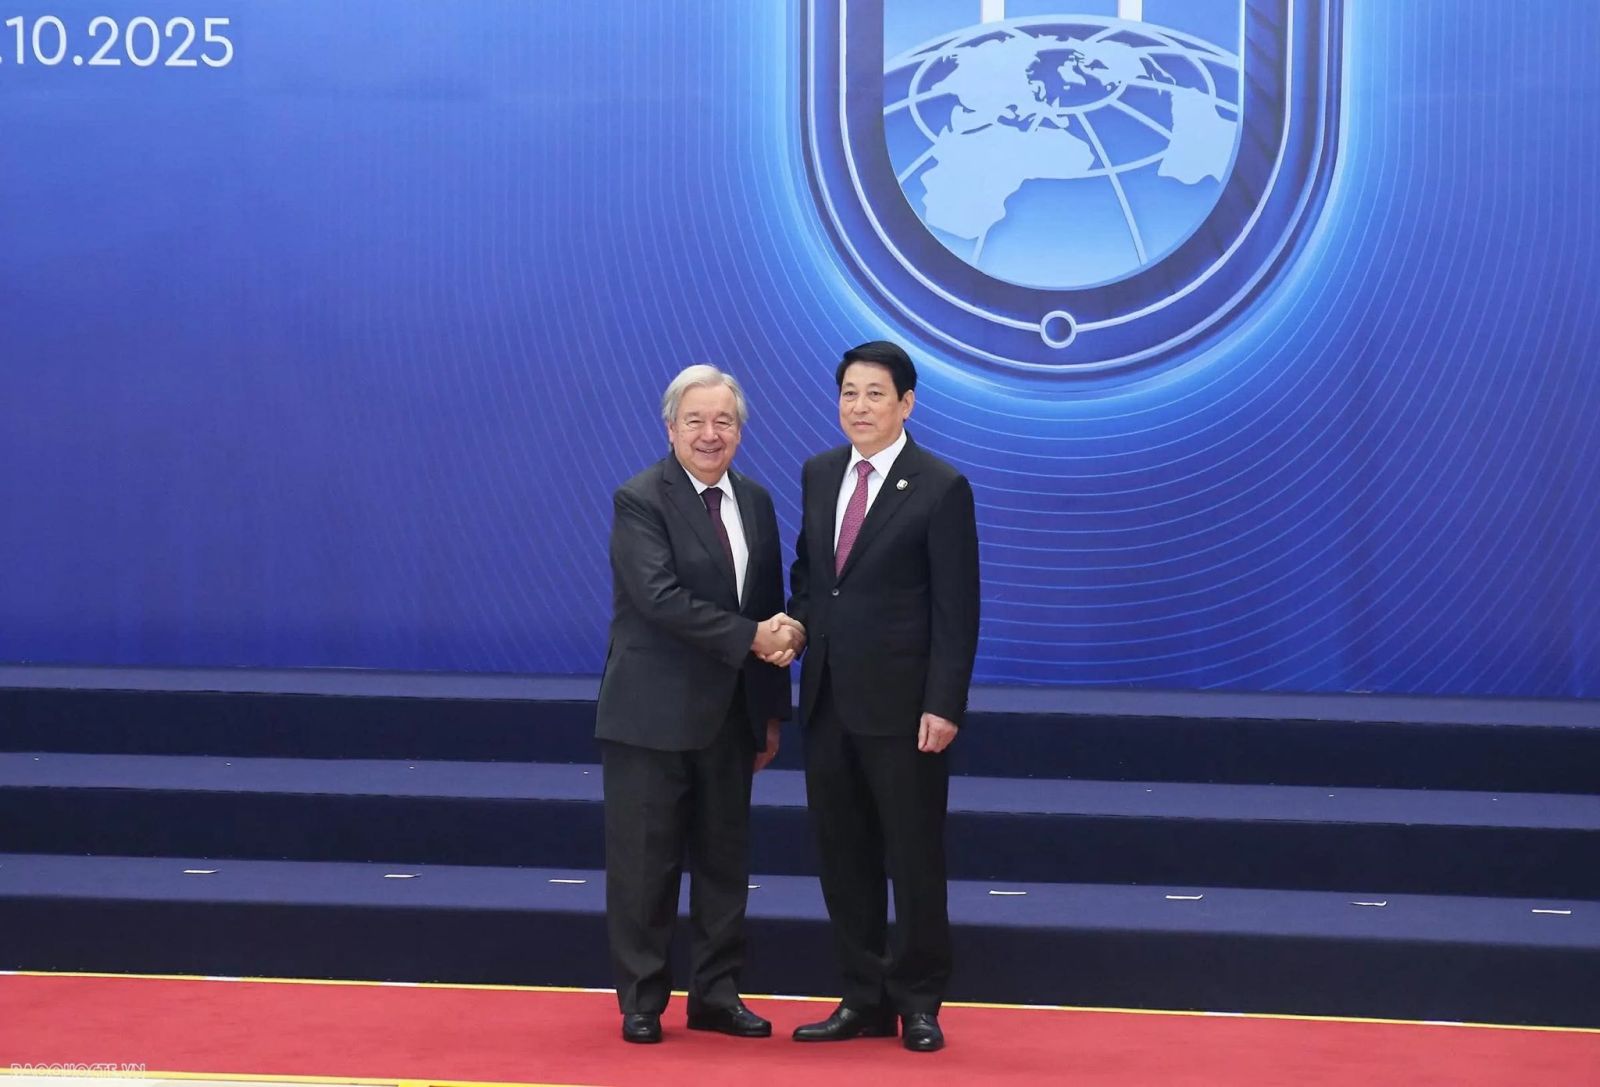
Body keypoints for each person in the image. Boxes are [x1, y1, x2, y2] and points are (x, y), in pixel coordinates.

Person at [594, 364, 802, 1044]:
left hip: (730, 717)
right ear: (670, 428)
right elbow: (658, 599)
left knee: (724, 865)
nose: (710, 434)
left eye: (724, 421)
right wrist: (753, 638)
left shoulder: (757, 500)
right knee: (644, 866)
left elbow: (765, 599)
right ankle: (642, 1000)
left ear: (740, 430)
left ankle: (716, 994)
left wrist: (769, 711)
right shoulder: (639, 499)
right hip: (650, 717)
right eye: (696, 421)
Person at [784, 341, 980, 1053]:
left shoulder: (940, 486)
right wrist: (795, 626)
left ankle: (919, 1001)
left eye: (874, 394)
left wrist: (944, 703)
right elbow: (813, 577)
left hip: (905, 710)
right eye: (849, 393)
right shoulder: (819, 473)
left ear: (907, 404)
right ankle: (863, 998)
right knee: (844, 857)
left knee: (914, 857)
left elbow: (957, 608)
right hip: (828, 701)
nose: (859, 407)